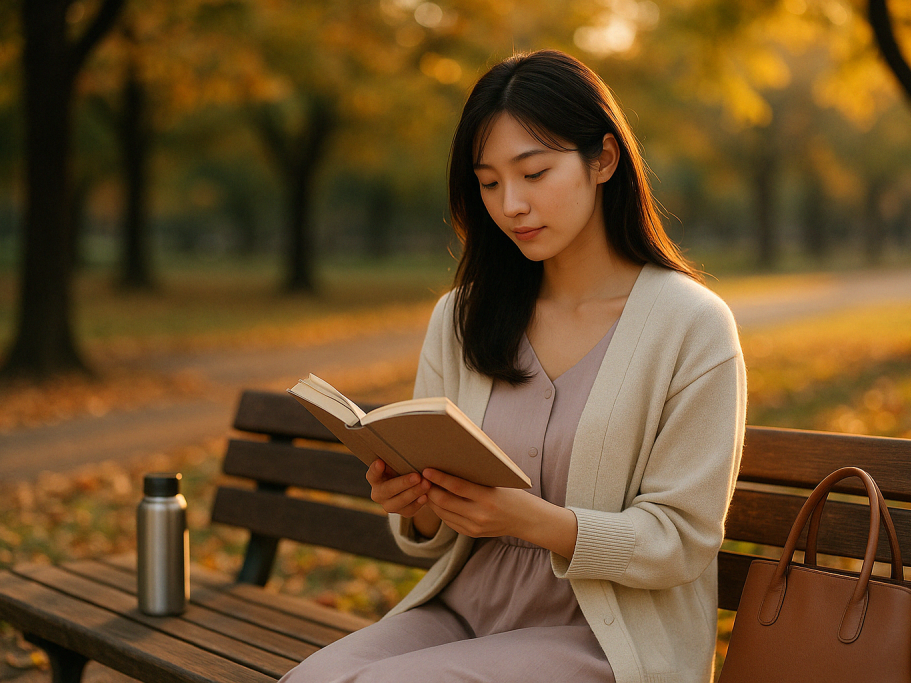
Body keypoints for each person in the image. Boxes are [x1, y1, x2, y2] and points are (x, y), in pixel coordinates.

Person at [280, 49, 746, 683]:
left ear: (604, 159)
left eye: (534, 173)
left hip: (607, 637)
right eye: (489, 183)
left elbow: (682, 541)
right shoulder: (463, 315)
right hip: (465, 612)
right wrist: (415, 502)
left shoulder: (690, 325)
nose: (511, 205)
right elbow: (430, 532)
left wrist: (533, 521)